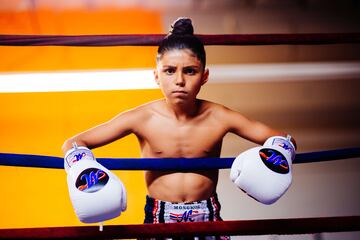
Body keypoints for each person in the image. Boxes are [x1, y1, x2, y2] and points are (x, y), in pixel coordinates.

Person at [62, 17, 296, 232]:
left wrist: (277, 154)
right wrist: (85, 170)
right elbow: (73, 144)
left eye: (190, 71)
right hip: (157, 218)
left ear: (204, 76)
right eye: (170, 71)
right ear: (156, 75)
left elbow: (285, 140)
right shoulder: (140, 118)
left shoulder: (221, 117)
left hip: (209, 217)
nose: (179, 80)